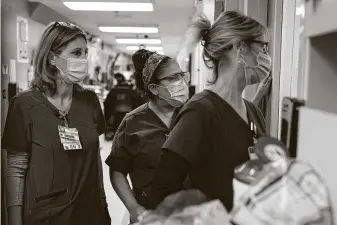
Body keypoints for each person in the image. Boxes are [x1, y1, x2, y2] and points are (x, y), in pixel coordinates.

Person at [151, 11, 273, 211]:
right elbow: (162, 191)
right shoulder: (200, 112)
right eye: (263, 47)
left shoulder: (253, 112)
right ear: (240, 48)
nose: (267, 57)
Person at [2, 21, 110, 225]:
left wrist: (103, 207)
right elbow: (16, 170)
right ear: (52, 58)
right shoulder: (25, 105)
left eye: (85, 53)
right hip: (46, 215)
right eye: (76, 53)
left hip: (89, 213)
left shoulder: (90, 101)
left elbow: (94, 160)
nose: (84, 59)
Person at [105, 49, 190, 223]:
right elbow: (117, 170)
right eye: (173, 78)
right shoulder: (133, 122)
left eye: (182, 76)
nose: (181, 82)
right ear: (154, 88)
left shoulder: (193, 115)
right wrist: (134, 208)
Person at [104, 73, 136, 140]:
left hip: (116, 115)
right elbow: (136, 103)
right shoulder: (131, 90)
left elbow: (107, 104)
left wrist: (107, 119)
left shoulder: (113, 91)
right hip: (129, 114)